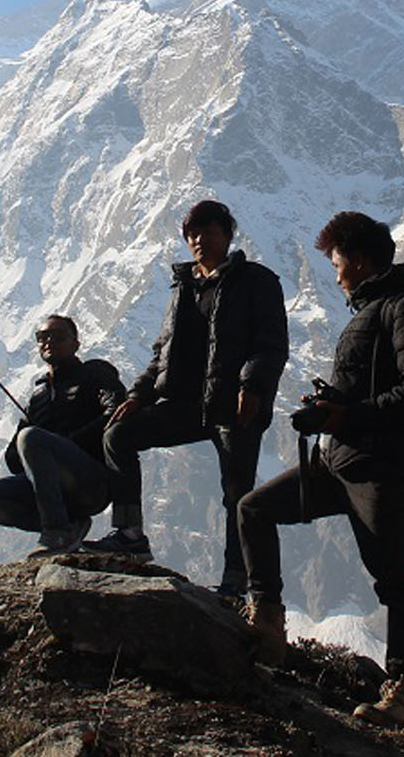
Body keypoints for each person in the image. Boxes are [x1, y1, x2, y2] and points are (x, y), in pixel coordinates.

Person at [238, 211, 404, 726]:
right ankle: (268, 626)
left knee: (392, 580)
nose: (336, 273)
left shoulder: (403, 310)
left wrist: (346, 414)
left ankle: (401, 692)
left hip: (379, 469)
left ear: (362, 259)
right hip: (337, 461)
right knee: (253, 510)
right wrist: (333, 406)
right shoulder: (368, 312)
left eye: (338, 262)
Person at [87, 200, 288, 598]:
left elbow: (271, 344)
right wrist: (139, 395)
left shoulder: (257, 281)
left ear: (228, 235)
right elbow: (163, 350)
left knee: (238, 495)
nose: (199, 239)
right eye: (192, 233)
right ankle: (128, 532)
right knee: (119, 435)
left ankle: (237, 580)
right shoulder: (183, 286)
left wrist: (253, 386)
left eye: (209, 231)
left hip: (234, 405)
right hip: (187, 405)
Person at [0, 314, 126, 556]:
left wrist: (66, 443)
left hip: (90, 479)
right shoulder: (38, 396)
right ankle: (68, 523)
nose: (49, 341)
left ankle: (57, 533)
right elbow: (13, 459)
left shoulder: (95, 372)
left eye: (58, 336)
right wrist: (33, 447)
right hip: (50, 488)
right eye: (42, 337)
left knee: (31, 438)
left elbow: (116, 410)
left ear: (76, 344)